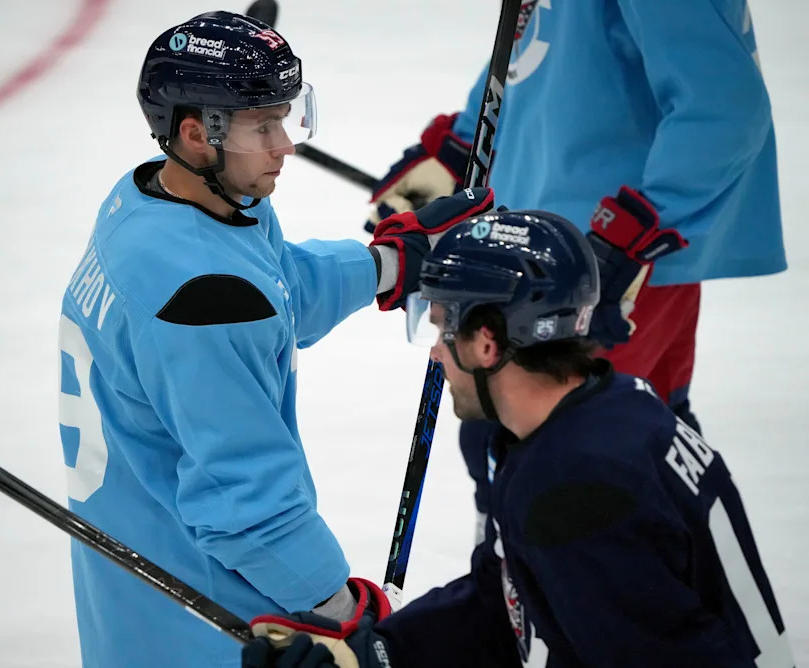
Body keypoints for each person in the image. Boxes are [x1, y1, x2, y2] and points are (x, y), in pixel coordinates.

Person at [56, 10, 495, 666]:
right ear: (196, 133)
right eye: (264, 126)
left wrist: (395, 262)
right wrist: (344, 613)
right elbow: (245, 505)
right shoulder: (199, 299)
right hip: (214, 627)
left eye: (288, 118)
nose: (286, 144)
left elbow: (278, 286)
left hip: (137, 592)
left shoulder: (156, 202)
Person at [242, 211, 794, 667]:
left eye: (440, 328)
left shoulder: (576, 493)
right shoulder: (604, 410)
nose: (436, 352)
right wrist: (379, 653)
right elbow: (503, 599)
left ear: (487, 342)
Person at [366, 0, 786, 544]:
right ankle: (525, 607)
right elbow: (529, 54)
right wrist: (460, 148)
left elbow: (723, 106)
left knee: (565, 451)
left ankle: (572, 612)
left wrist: (634, 232)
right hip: (537, 247)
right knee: (579, 446)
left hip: (600, 268)